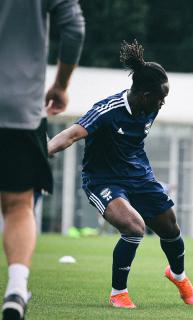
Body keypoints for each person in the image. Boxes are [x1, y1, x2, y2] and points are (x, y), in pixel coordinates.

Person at [47, 40, 193, 309]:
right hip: (102, 180)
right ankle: (118, 293)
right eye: (160, 97)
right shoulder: (107, 111)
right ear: (142, 94)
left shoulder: (150, 106)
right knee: (134, 227)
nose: (163, 102)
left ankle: (178, 276)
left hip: (139, 176)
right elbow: (71, 134)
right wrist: (40, 153)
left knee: (170, 228)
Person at [0, 1, 85, 319]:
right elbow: (74, 29)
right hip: (18, 108)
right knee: (19, 205)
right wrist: (61, 85)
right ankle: (17, 288)